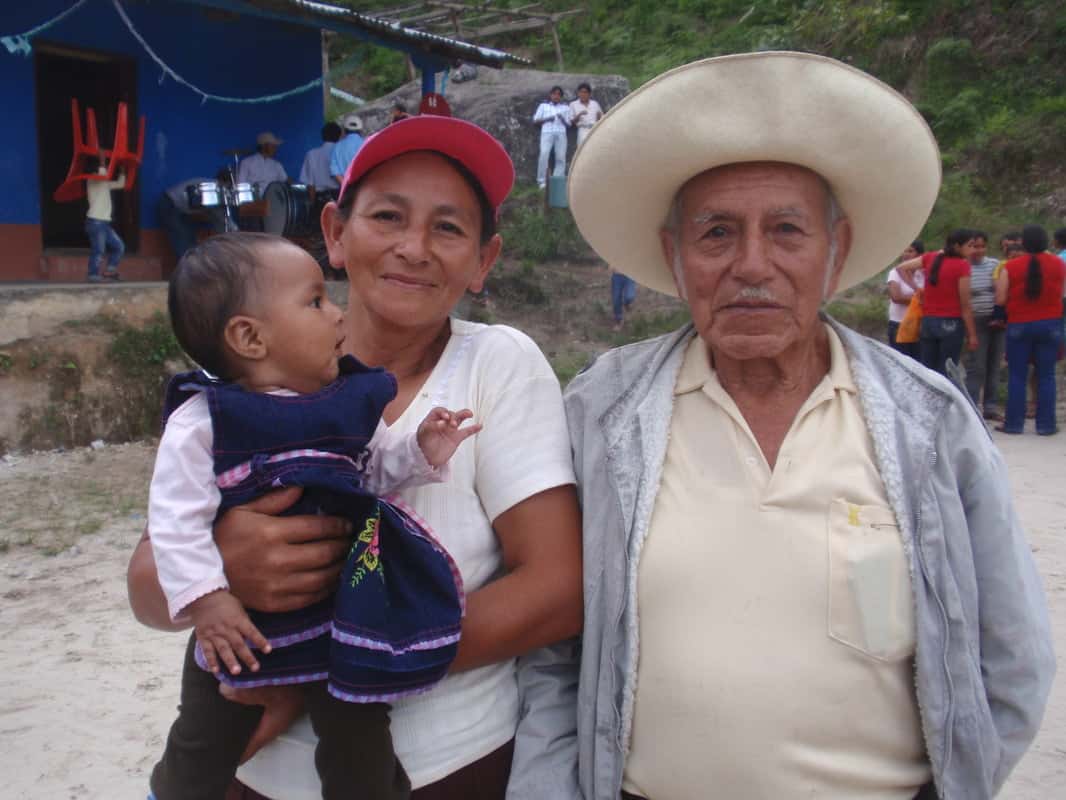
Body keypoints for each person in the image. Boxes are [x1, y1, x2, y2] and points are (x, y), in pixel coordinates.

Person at [524, 51, 1054, 800]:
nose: (751, 265)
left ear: (835, 253)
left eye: (786, 231)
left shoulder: (928, 421)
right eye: (716, 234)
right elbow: (553, 655)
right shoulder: (603, 410)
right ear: (675, 258)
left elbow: (1013, 657)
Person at [127, 114, 583, 800]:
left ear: (484, 261)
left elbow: (556, 590)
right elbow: (146, 587)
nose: (414, 247)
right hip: (255, 770)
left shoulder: (496, 366)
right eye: (389, 216)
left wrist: (349, 660)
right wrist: (227, 563)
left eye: (449, 228)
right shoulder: (250, 383)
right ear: (336, 233)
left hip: (444, 768)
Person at [147, 232, 479, 800]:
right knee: (202, 746)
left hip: (341, 618)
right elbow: (173, 523)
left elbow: (366, 478)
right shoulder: (207, 423)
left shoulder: (343, 403)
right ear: (250, 337)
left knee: (360, 739)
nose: (338, 316)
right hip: (241, 626)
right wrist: (208, 601)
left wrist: (420, 452)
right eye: (315, 302)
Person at [995, 224, 1065, 435]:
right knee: (1047, 376)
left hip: (1019, 324)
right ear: (1046, 242)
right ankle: (1046, 425)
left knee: (1017, 376)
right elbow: (1062, 295)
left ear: (1023, 243)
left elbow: (1000, 298)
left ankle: (1014, 424)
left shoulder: (1011, 266)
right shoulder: (1059, 265)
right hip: (1050, 324)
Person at [898, 229, 978, 377]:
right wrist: (972, 334)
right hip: (951, 323)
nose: (972, 250)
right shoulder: (962, 266)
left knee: (928, 368)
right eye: (970, 245)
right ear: (957, 246)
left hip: (928, 322)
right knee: (947, 370)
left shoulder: (931, 257)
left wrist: (916, 289)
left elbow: (902, 268)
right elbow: (965, 304)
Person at [962, 229, 1006, 420]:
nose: (978, 250)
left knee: (994, 364)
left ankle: (990, 405)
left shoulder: (995, 265)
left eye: (981, 246)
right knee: (977, 365)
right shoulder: (963, 267)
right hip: (975, 321)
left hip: (996, 320)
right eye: (973, 246)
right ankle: (972, 405)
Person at [84, 155, 128, 281]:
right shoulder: (92, 180)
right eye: (101, 167)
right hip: (95, 221)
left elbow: (120, 184)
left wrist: (122, 171)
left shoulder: (104, 183)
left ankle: (110, 271)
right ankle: (92, 274)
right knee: (99, 250)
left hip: (103, 223)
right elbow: (103, 175)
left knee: (119, 247)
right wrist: (102, 162)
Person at [884, 239, 923, 359]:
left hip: (919, 325)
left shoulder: (923, 274)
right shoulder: (894, 273)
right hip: (899, 324)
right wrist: (920, 299)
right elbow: (896, 297)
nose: (906, 254)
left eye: (910, 251)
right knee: (901, 361)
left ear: (919, 255)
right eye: (904, 251)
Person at [533, 86, 571, 189]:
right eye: (554, 94)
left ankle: (557, 182)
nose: (556, 96)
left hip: (561, 133)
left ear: (561, 97)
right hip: (547, 132)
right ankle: (542, 181)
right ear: (550, 95)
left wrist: (562, 119)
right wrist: (547, 119)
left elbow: (569, 125)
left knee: (561, 157)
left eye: (559, 94)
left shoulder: (566, 108)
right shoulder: (543, 106)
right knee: (544, 154)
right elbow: (535, 121)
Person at [299, 122, 342, 192]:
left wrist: (312, 202)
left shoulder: (311, 154)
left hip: (319, 197)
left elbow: (310, 184)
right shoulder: (342, 154)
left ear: (322, 136)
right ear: (339, 137)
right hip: (339, 196)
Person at [329, 114, 365, 185]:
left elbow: (335, 171)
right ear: (360, 130)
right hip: (363, 188)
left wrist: (345, 186)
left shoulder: (337, 146)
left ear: (344, 130)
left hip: (346, 189)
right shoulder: (366, 144)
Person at [569, 82, 603, 148]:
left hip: (594, 129)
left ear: (589, 94)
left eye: (585, 92)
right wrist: (579, 115)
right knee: (582, 149)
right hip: (583, 129)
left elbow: (601, 117)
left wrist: (599, 117)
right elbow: (571, 121)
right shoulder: (573, 104)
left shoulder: (595, 103)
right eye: (581, 92)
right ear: (578, 93)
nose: (583, 94)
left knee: (595, 148)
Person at [608, 266, 637, 331]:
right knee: (616, 300)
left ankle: (627, 304)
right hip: (617, 275)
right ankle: (618, 321)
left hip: (630, 275)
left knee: (630, 296)